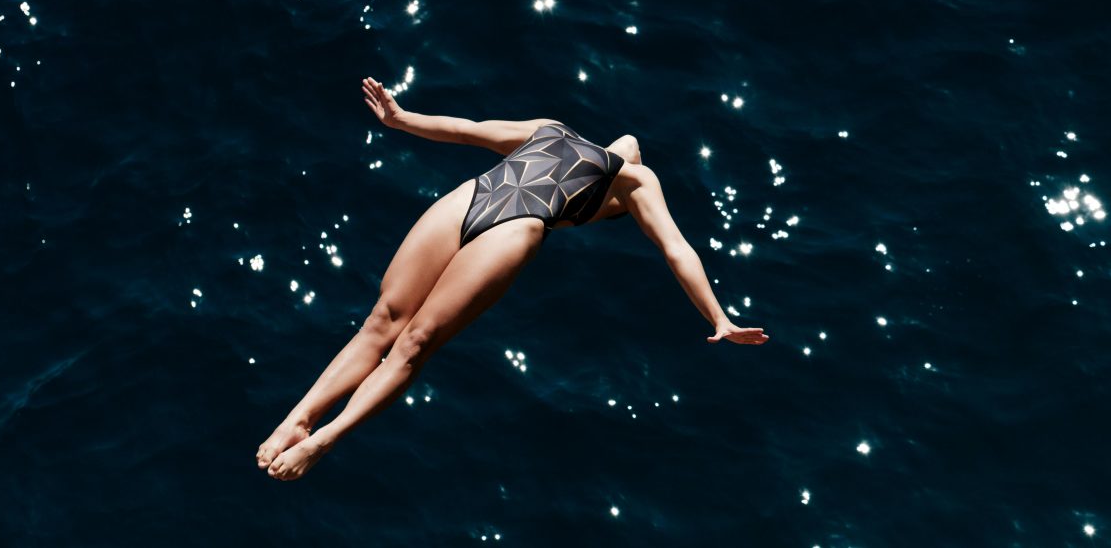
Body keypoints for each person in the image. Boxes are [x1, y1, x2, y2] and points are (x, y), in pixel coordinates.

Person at [257, 77, 768, 480]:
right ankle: (325, 438)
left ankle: (298, 419)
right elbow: (677, 248)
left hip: (475, 195)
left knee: (381, 322)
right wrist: (718, 316)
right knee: (413, 344)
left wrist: (401, 119)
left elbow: (466, 128)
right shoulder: (634, 179)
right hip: (517, 228)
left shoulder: (552, 129)